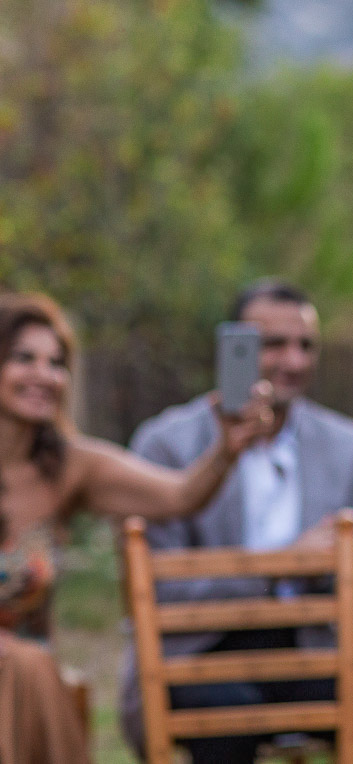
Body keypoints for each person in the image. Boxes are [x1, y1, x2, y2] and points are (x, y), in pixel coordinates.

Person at [117, 280, 353, 764]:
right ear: (232, 348)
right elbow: (156, 590)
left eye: (306, 345)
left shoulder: (346, 446)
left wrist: (327, 565)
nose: (295, 361)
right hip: (198, 656)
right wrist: (282, 565)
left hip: (311, 652)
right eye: (273, 344)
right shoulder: (166, 443)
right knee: (229, 718)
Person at [0, 291, 272, 764]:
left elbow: (180, 496)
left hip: (23, 683)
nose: (44, 375)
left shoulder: (71, 467)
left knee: (23, 665)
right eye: (25, 358)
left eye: (56, 362)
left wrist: (226, 451)